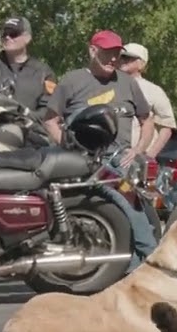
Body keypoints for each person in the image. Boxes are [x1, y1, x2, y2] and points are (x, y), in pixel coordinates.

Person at [43, 29, 157, 270]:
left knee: (136, 209)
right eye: (107, 53)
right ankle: (154, 260)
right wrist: (69, 149)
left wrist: (138, 149)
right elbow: (50, 120)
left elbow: (147, 120)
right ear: (92, 50)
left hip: (122, 159)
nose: (113, 59)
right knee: (129, 207)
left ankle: (132, 270)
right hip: (89, 162)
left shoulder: (127, 82)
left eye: (117, 54)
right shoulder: (72, 81)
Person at [0, 16, 56, 112]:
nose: (7, 37)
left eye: (13, 34)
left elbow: (49, 109)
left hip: (29, 121)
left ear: (27, 38)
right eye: (4, 34)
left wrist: (26, 116)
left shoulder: (44, 72)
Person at [119, 43, 177, 158]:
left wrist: (150, 156)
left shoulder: (154, 90)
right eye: (121, 57)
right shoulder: (109, 86)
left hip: (138, 159)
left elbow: (166, 127)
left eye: (129, 58)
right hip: (110, 157)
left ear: (141, 64)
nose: (123, 60)